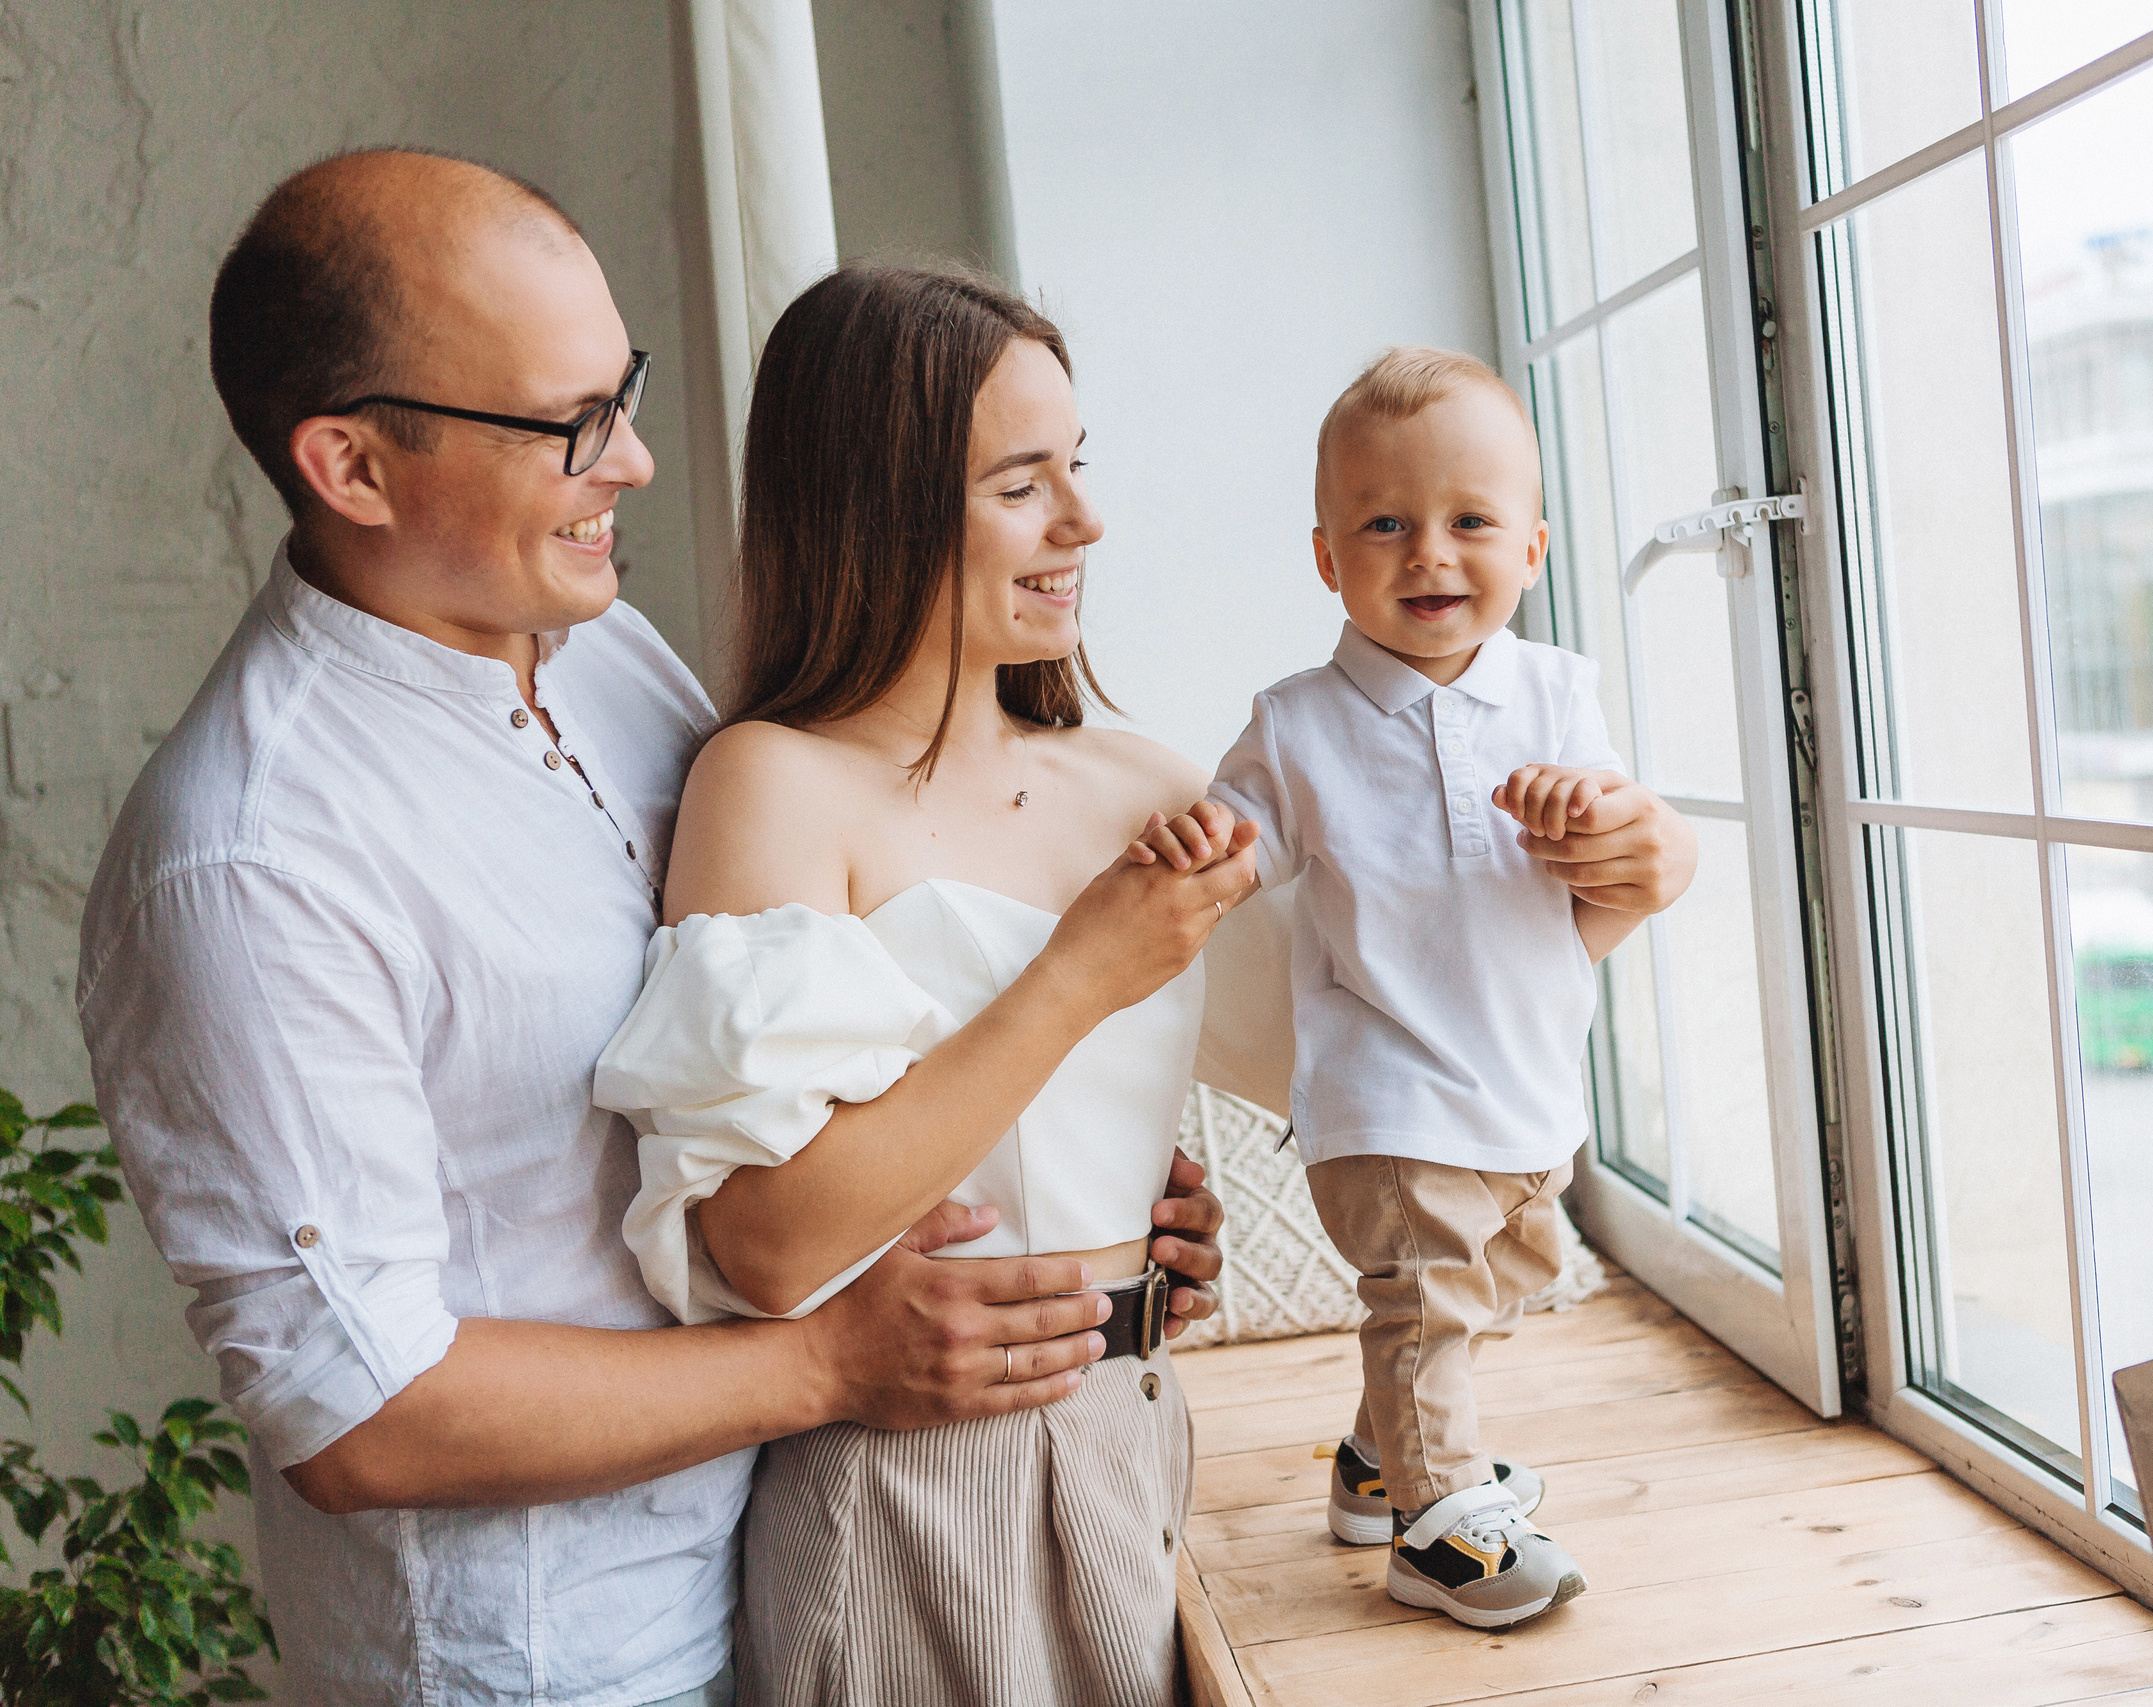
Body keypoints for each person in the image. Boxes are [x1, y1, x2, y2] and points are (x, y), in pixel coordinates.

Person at [74, 150, 1228, 1707]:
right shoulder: (249, 854)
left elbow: (774, 1062)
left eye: (623, 391)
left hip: (789, 1557)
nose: (638, 461)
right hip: (545, 1660)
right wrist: (833, 1361)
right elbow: (364, 1414)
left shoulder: (605, 655)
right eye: (571, 425)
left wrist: (1073, 1202)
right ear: (353, 467)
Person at [590, 265, 1261, 1707]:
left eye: (1077, 467)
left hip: (1138, 1434)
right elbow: (765, 1243)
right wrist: (1080, 975)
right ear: (880, 505)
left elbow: (1354, 1040)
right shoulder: (772, 783)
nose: (1084, 520)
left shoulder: (1144, 777)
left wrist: (1600, 893)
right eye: (1023, 483)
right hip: (911, 1488)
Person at [1199, 346, 1697, 1631]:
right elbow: (1233, 836)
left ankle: (1378, 1464)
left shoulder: (1556, 691)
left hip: (1523, 1077)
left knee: (1500, 1271)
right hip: (1388, 1089)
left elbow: (1615, 846)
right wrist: (1201, 842)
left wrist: (1594, 817)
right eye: (1386, 523)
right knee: (1423, 1295)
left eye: (1468, 522)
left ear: (1530, 548)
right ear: (1327, 558)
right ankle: (1435, 1522)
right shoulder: (1298, 723)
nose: (1429, 554)